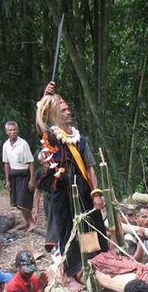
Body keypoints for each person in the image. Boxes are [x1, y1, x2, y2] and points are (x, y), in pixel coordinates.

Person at [35, 80, 108, 278]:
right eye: (63, 109)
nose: (67, 112)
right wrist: (45, 96)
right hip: (63, 192)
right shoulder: (51, 136)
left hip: (83, 189)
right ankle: (72, 270)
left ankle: (95, 261)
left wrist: (96, 193)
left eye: (68, 109)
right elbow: (40, 121)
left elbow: (90, 167)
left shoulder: (80, 139)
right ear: (54, 114)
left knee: (91, 224)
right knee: (67, 231)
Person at [2, 120, 36, 231]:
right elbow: (6, 164)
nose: (12, 132)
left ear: (17, 130)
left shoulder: (23, 143)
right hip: (14, 175)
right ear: (6, 132)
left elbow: (31, 162)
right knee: (18, 202)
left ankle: (32, 223)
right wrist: (7, 180)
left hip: (24, 174)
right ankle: (27, 222)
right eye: (10, 130)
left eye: (14, 129)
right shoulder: (6, 145)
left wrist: (31, 179)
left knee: (24, 201)